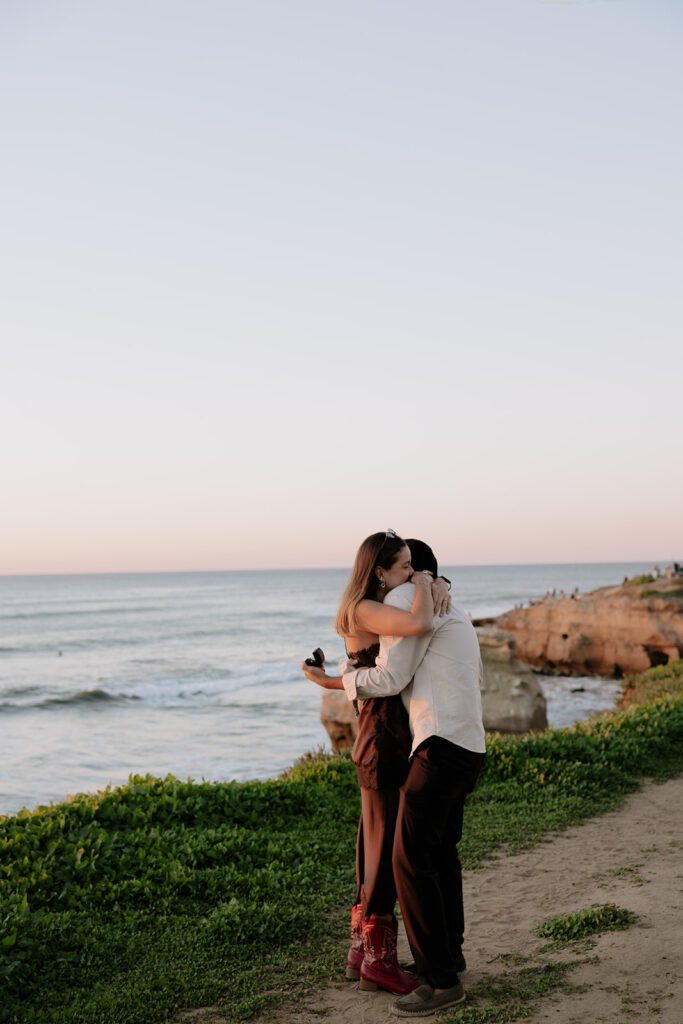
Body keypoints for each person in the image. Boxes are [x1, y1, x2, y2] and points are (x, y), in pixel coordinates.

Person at [304, 539, 485, 1017]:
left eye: (412, 566)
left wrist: (331, 682)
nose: (409, 574)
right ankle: (445, 955)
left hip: (432, 740)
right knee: (436, 851)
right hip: (467, 742)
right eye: (404, 567)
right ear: (382, 570)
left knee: (405, 858)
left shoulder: (408, 599)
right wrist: (435, 581)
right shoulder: (453, 606)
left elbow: (390, 678)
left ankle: (439, 979)